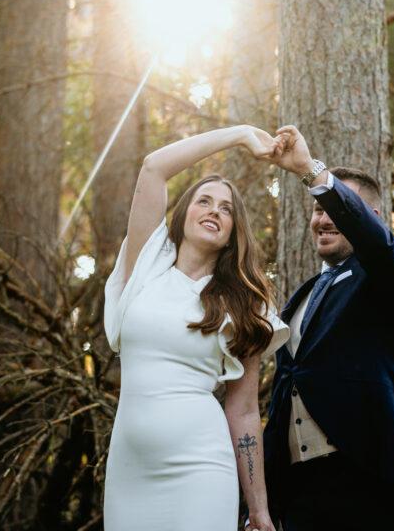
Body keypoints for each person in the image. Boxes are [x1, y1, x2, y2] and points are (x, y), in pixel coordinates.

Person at [103, 125, 290, 531]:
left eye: (226, 209)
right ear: (183, 213)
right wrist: (240, 134)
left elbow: (242, 410)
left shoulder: (245, 302)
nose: (214, 211)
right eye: (204, 201)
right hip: (129, 470)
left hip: (202, 467)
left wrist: (258, 509)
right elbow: (154, 167)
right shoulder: (145, 265)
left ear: (231, 233)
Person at [262, 125, 394, 531]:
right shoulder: (301, 297)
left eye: (335, 209)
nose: (323, 218)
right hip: (301, 495)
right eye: (318, 211)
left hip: (371, 482)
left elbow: (380, 248)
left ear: (369, 219)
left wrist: (312, 173)